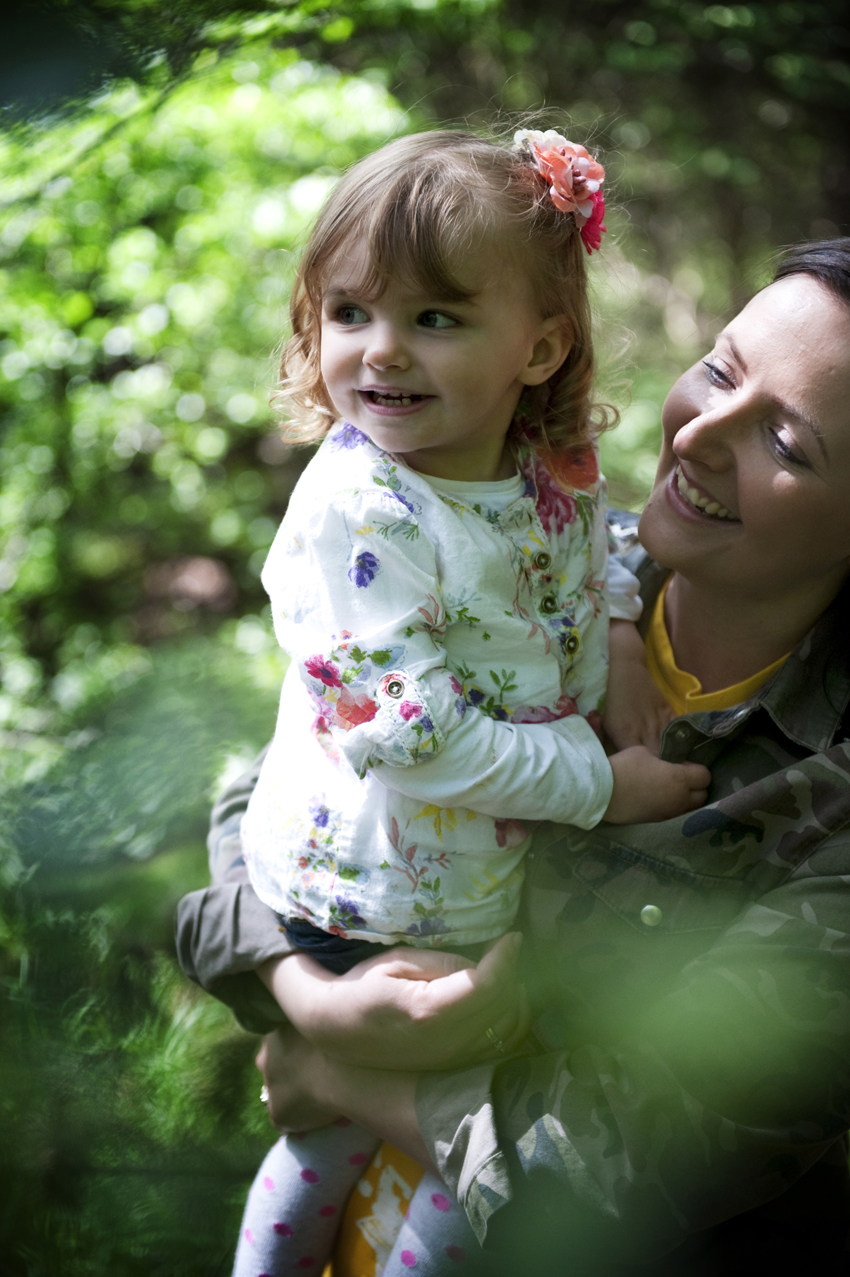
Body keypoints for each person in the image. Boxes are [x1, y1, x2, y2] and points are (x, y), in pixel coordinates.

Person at [178, 237, 850, 1274]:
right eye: (720, 370)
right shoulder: (535, 547)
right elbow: (264, 791)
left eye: (786, 441)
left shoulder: (827, 794)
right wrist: (309, 993)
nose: (698, 433)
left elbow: (648, 1145)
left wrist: (341, 1076)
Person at [211, 126, 710, 1277]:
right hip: (370, 888)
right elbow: (413, 736)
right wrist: (604, 787)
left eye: (434, 316)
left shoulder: (541, 456)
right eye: (350, 312)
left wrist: (620, 630)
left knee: (428, 1140)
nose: (381, 349)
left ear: (540, 347)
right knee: (369, 1136)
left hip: (476, 877)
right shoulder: (361, 510)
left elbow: (591, 541)